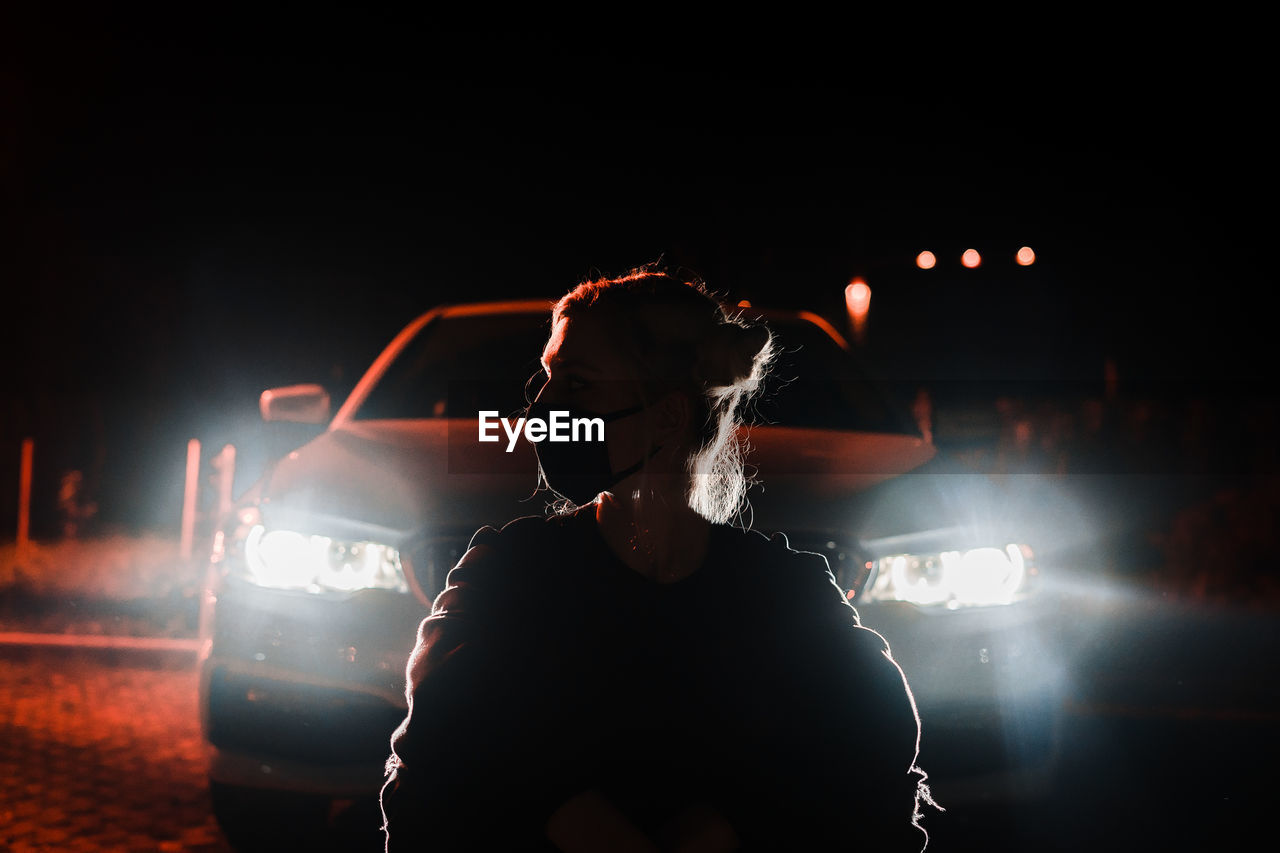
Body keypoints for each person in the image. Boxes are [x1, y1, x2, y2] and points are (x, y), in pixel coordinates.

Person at [381, 266, 938, 851]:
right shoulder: (510, 572)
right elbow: (442, 740)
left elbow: (876, 744)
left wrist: (728, 824)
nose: (539, 405)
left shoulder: (783, 591)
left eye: (576, 384)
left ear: (668, 416)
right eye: (546, 379)